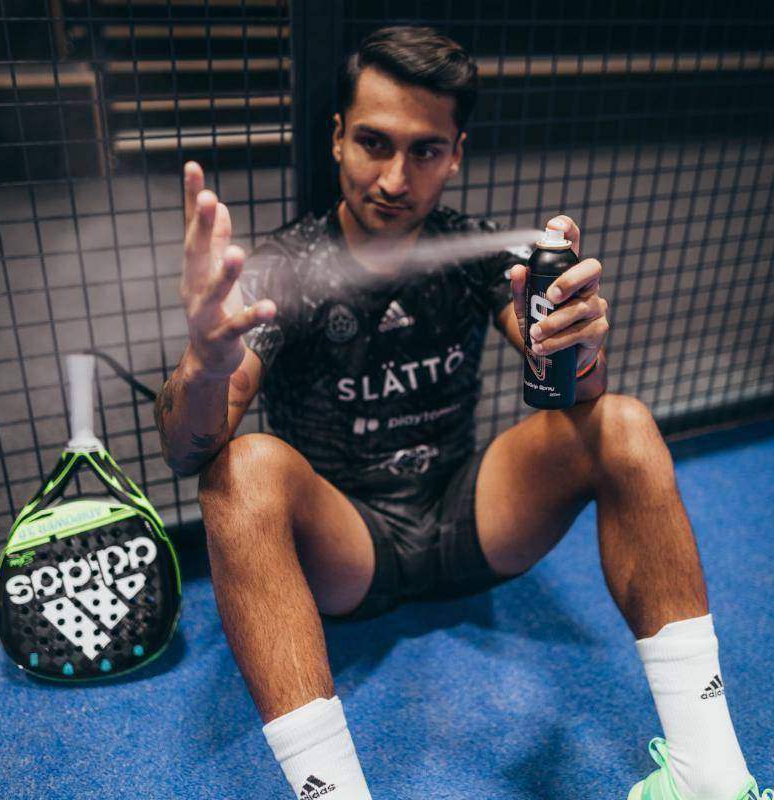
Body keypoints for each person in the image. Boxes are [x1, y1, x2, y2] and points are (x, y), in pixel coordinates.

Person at [154, 26, 770, 800]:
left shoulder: (476, 250)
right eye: (373, 143)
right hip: (348, 548)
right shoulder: (284, 269)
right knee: (238, 470)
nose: (394, 178)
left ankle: (710, 776)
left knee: (622, 422)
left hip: (467, 519)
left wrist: (577, 344)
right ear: (337, 138)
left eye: (424, 151)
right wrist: (204, 365)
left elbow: (575, 397)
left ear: (456, 154)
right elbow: (185, 450)